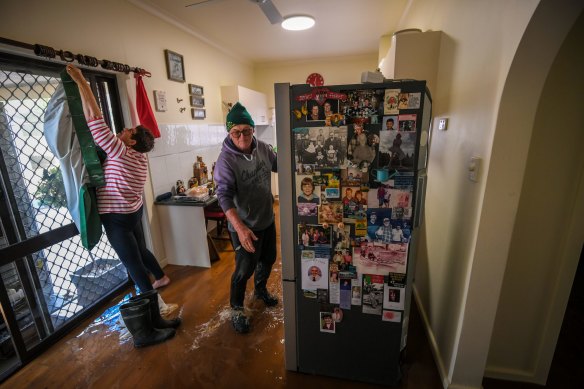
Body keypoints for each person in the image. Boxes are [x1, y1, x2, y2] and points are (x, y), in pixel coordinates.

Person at [65, 64, 171, 293]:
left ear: (131, 142)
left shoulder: (120, 151)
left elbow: (94, 118)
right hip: (133, 211)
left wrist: (81, 82)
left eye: (128, 131)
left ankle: (151, 301)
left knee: (131, 260)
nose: (123, 129)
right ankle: (160, 277)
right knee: (140, 250)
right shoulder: (139, 157)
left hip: (117, 217)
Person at [214, 102, 278, 334]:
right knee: (243, 270)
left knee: (269, 258)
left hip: (267, 219)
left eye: (246, 131)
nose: (242, 136)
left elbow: (279, 165)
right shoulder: (225, 161)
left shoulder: (262, 147)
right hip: (244, 226)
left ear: (253, 130)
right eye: (236, 132)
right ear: (230, 133)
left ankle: (260, 290)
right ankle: (237, 310)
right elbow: (224, 197)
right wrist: (240, 229)